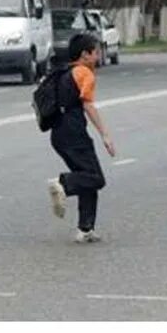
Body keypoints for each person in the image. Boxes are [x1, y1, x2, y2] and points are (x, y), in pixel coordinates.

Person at [47, 32, 116, 242]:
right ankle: (62, 184)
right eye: (96, 53)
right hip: (74, 132)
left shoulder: (63, 72)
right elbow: (88, 105)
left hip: (58, 133)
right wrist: (105, 134)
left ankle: (85, 229)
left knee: (87, 177)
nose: (98, 57)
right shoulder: (84, 73)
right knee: (96, 178)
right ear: (85, 55)